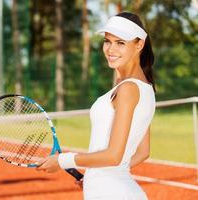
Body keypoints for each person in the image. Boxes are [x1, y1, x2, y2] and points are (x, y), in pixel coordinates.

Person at [37, 12, 156, 200]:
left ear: (139, 44)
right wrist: (96, 175)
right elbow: (143, 152)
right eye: (107, 41)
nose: (110, 49)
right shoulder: (143, 87)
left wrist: (62, 160)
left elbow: (114, 155)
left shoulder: (128, 89)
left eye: (120, 43)